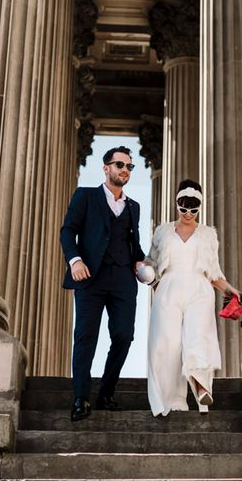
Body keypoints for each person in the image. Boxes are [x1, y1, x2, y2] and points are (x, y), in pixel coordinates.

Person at [60, 145, 146, 421]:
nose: (125, 170)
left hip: (123, 280)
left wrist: (140, 262)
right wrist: (75, 261)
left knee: (124, 336)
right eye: (120, 165)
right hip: (90, 277)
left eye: (129, 166)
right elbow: (68, 231)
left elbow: (134, 244)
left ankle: (107, 391)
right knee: (86, 337)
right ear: (106, 167)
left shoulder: (134, 207)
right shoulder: (86, 196)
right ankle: (81, 398)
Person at [145, 179, 240, 417]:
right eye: (183, 206)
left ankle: (201, 388)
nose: (188, 212)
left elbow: (214, 272)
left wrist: (231, 290)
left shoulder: (208, 234)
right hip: (168, 287)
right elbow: (150, 262)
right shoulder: (162, 231)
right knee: (166, 344)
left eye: (193, 207)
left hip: (199, 288)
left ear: (200, 206)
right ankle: (172, 401)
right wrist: (144, 272)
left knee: (198, 336)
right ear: (176, 203)